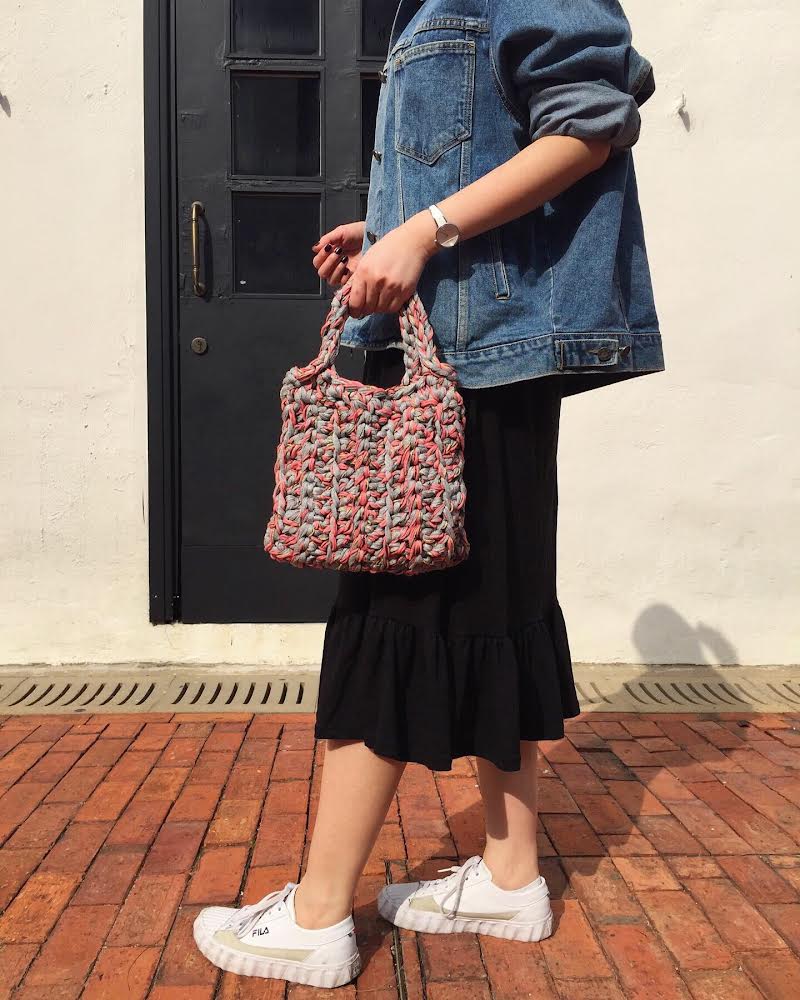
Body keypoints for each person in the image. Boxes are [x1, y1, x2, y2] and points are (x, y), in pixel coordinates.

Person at [194, 0, 663, 988]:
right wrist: (393, 221)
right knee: (497, 608)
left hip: (480, 351)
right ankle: (506, 872)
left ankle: (319, 914)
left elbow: (589, 120)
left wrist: (425, 227)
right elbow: (497, 135)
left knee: (392, 605)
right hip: (476, 346)